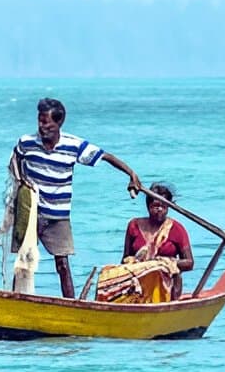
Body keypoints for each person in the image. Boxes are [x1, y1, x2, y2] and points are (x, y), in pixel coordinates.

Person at [10, 97, 141, 298]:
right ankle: (14, 300)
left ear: (59, 123)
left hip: (58, 215)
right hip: (31, 212)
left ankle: (70, 303)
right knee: (24, 261)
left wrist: (131, 174)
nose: (41, 126)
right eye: (39, 120)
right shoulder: (27, 142)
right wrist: (21, 182)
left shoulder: (73, 145)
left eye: (46, 122)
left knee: (62, 263)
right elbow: (15, 159)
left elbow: (106, 157)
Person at [122, 182, 195, 300]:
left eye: (164, 206)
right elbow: (125, 259)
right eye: (155, 206)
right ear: (148, 206)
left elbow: (189, 263)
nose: (160, 209)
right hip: (138, 287)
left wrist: (163, 264)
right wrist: (139, 263)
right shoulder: (134, 226)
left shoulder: (176, 229)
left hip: (167, 289)